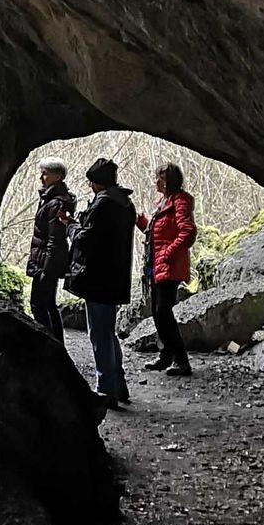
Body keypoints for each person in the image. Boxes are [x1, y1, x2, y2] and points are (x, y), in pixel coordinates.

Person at [65, 156, 136, 409]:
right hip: (115, 277)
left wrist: (70, 226)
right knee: (108, 332)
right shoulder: (125, 204)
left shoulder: (104, 204)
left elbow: (87, 239)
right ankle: (119, 384)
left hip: (98, 278)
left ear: (97, 182)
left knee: (99, 334)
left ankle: (106, 390)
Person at [137, 161, 198, 377]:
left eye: (160, 178)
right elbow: (155, 233)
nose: (156, 181)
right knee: (157, 311)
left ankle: (181, 360)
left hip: (169, 266)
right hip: (156, 265)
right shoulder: (163, 202)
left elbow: (188, 232)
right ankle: (166, 355)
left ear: (169, 180)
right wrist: (140, 221)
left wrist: (167, 253)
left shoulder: (180, 201)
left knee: (163, 312)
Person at [25, 157, 75, 342]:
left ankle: (49, 345)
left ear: (58, 176)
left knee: (39, 305)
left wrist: (46, 270)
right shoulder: (52, 199)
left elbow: (55, 239)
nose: (41, 177)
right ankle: (56, 345)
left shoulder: (56, 203)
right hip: (45, 260)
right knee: (48, 304)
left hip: (46, 262)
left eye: (45, 173)